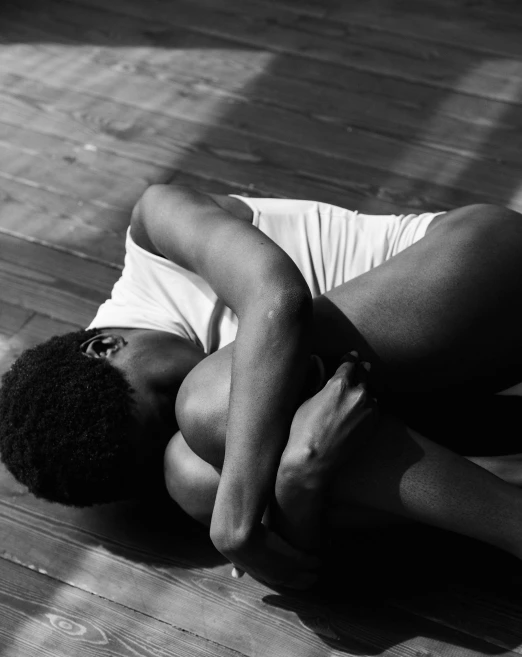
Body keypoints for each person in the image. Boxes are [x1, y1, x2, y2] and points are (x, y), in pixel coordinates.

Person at [1, 187, 522, 589]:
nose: (179, 422)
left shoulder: (155, 228)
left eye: (162, 400)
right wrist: (298, 478)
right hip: (434, 392)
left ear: (105, 346)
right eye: (164, 430)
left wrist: (235, 522)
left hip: (483, 272)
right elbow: (299, 560)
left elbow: (277, 296)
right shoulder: (180, 449)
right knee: (189, 474)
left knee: (211, 408)